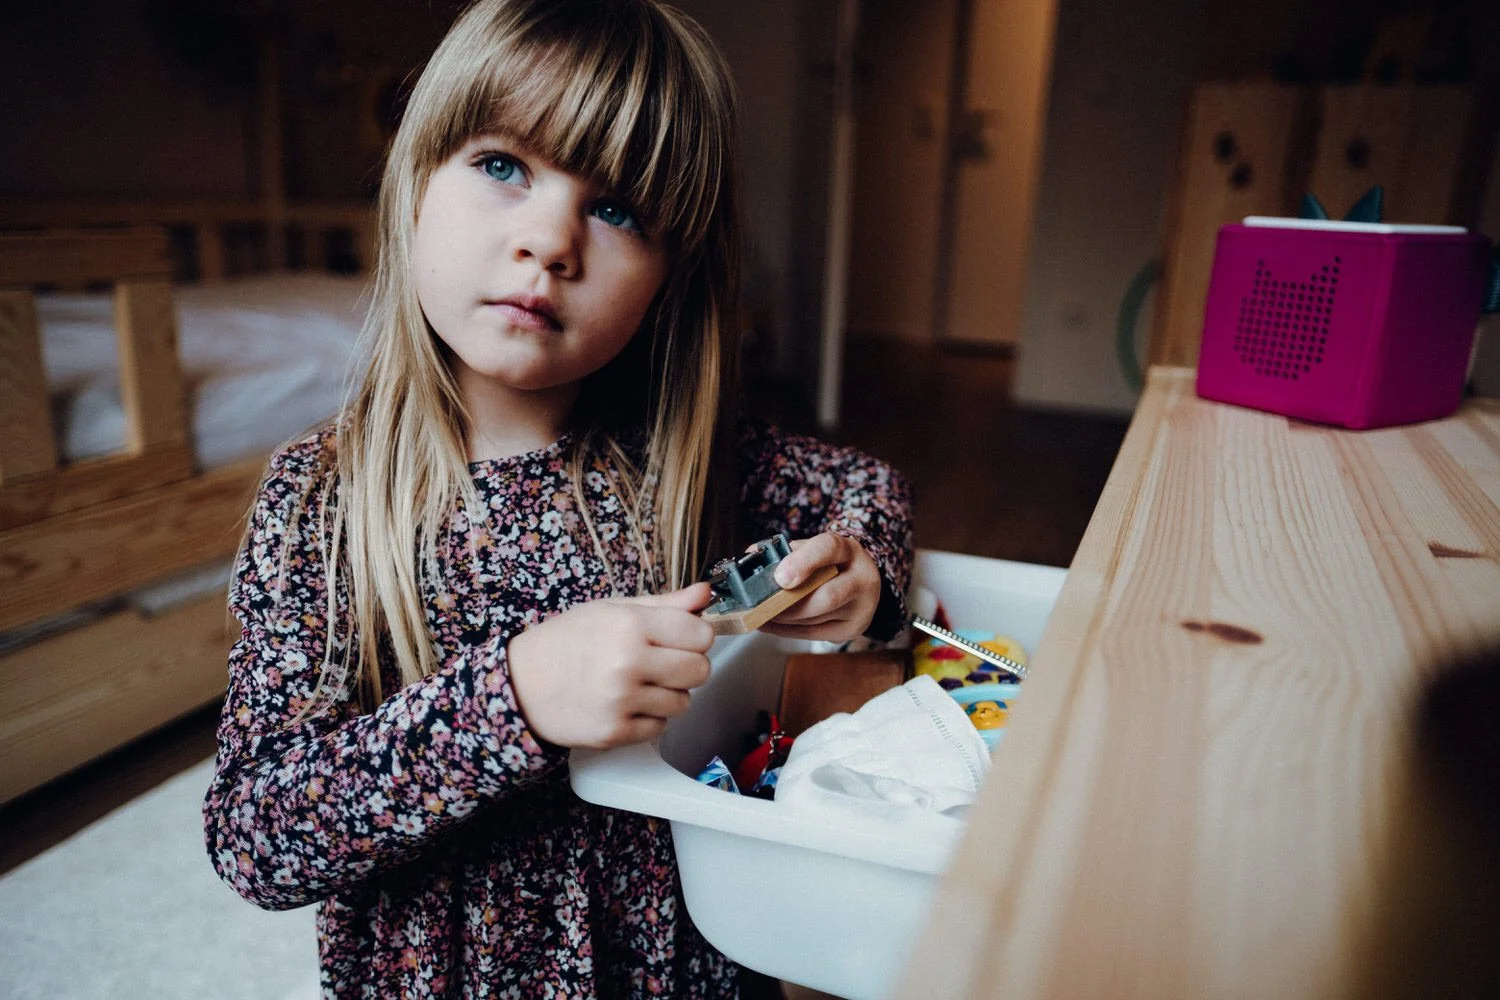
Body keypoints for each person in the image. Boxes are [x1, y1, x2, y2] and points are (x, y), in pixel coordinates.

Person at [203, 0, 913, 995]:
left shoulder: (678, 454)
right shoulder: (321, 503)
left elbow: (860, 488)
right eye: (503, 166)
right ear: (416, 183)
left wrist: (857, 559)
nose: (550, 240)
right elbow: (258, 833)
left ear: (670, 278)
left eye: (617, 208)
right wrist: (515, 698)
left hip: (680, 963)